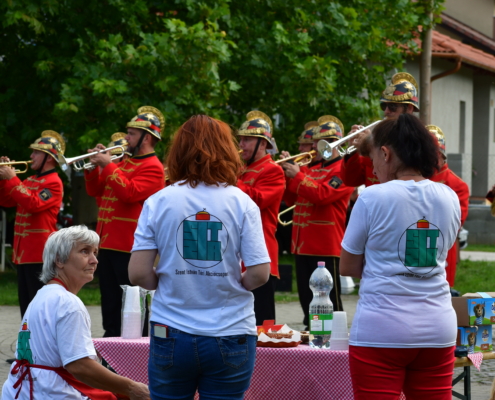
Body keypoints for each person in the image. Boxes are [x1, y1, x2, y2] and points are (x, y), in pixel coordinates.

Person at [128, 115, 270, 400]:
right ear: (227, 151)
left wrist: (169, 281)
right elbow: (259, 274)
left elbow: (138, 274)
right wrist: (232, 282)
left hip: (171, 329)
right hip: (231, 331)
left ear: (178, 152)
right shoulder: (242, 202)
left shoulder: (158, 201)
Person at [340, 114, 461, 400]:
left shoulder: (372, 197)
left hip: (381, 329)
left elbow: (348, 265)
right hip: (438, 327)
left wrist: (384, 265)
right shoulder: (449, 196)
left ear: (386, 153)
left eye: (373, 161)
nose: (375, 169)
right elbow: (439, 254)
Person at [1, 225, 150, 400]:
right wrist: (132, 388)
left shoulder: (42, 295)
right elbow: (79, 366)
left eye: (95, 253)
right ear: (59, 260)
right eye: (85, 252)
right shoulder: (68, 303)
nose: (95, 260)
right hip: (50, 392)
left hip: (21, 390)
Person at [84, 106, 165, 337]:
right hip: (108, 243)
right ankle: (110, 344)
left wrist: (107, 165)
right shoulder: (123, 163)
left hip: (130, 246)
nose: (126, 137)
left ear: (146, 138)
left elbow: (129, 193)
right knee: (109, 302)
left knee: (132, 306)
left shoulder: (153, 167)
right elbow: (95, 191)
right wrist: (93, 168)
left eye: (131, 133)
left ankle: (136, 348)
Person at [281, 115, 354, 328]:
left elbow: (323, 195)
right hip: (303, 243)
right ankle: (311, 328)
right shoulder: (313, 169)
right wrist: (288, 172)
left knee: (328, 298)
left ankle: (333, 332)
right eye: (313, 142)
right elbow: (291, 199)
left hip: (325, 244)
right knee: (307, 295)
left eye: (318, 142)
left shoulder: (343, 170)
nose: (313, 147)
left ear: (334, 143)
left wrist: (299, 175)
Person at [0, 131, 65, 318]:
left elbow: (33, 203)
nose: (31, 156)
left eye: (36, 152)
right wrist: (5, 179)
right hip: (23, 254)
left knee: (38, 307)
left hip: (39, 254)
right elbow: (7, 200)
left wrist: (12, 179)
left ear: (49, 157)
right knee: (26, 306)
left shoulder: (54, 183)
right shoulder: (29, 180)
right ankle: (27, 343)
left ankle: (40, 344)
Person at [236, 111, 285, 325]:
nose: (241, 144)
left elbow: (256, 200)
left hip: (259, 253)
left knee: (261, 324)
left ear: (262, 144)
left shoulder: (273, 170)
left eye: (247, 139)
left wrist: (228, 177)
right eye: (241, 139)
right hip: (237, 254)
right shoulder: (241, 169)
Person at [341, 72, 419, 188]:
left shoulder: (420, 140)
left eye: (392, 107)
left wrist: (370, 144)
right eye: (384, 106)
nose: (386, 111)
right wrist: (353, 151)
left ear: (409, 108)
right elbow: (351, 181)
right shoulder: (378, 138)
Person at [428, 125, 469, 288]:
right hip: (414, 242)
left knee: (441, 293)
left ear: (440, 154)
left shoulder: (457, 185)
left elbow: (455, 222)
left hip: (442, 248)